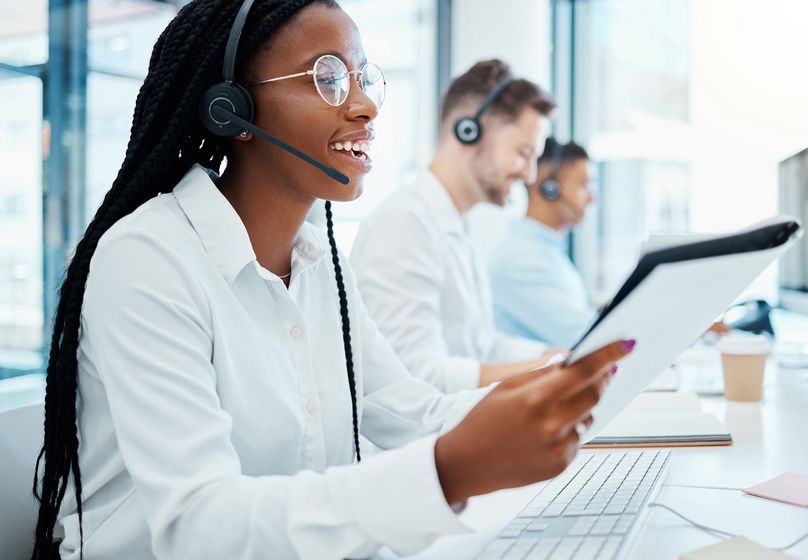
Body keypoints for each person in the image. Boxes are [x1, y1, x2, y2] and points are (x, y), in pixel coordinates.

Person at [29, 2, 633, 559]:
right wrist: (448, 472)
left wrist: (561, 388)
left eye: (364, 78)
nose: (367, 105)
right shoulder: (148, 259)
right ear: (232, 109)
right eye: (328, 77)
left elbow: (413, 413)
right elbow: (198, 524)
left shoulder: (316, 261)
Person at [351, 60, 561, 393]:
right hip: (419, 441)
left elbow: (482, 346)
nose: (530, 176)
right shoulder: (403, 226)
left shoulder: (453, 224)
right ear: (470, 130)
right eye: (524, 153)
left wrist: (560, 357)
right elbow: (417, 376)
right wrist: (552, 372)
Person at [490, 138, 597, 348]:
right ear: (550, 188)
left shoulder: (548, 251)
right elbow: (587, 337)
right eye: (584, 185)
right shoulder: (521, 260)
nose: (591, 198)